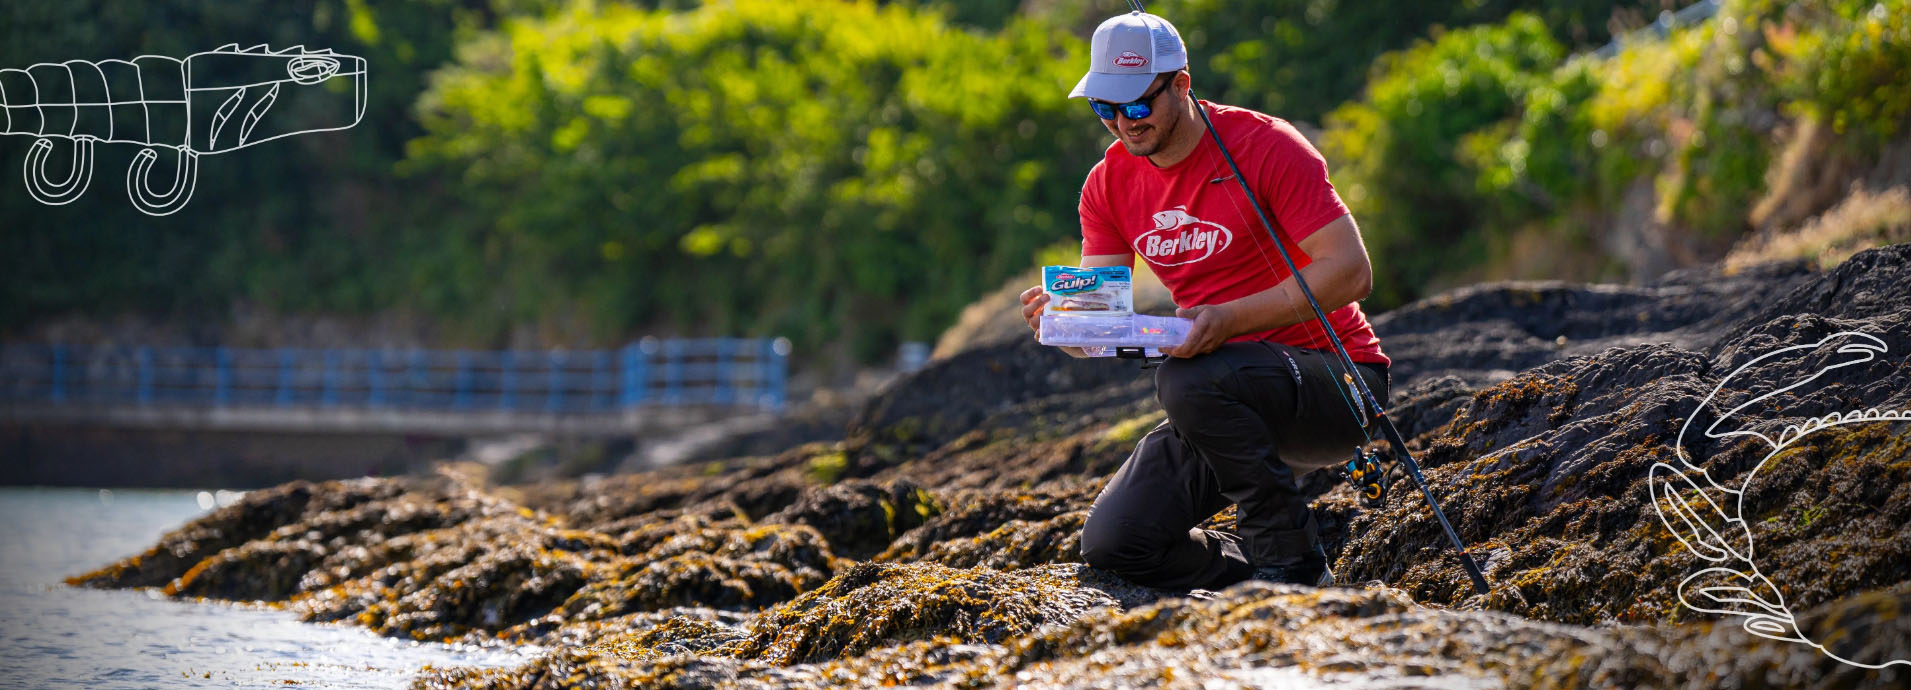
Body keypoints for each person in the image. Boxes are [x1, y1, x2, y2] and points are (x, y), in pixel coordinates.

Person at [1018, 10, 1391, 589]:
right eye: (1105, 109)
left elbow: (1351, 271)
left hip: (1337, 381)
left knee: (1187, 380)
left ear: (1182, 84)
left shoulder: (1266, 145)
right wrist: (1069, 329)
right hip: (1220, 398)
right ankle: (1259, 578)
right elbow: (1106, 331)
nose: (1123, 123)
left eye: (1137, 106)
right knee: (1117, 542)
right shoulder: (1106, 185)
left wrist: (1230, 319)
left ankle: (1296, 567)